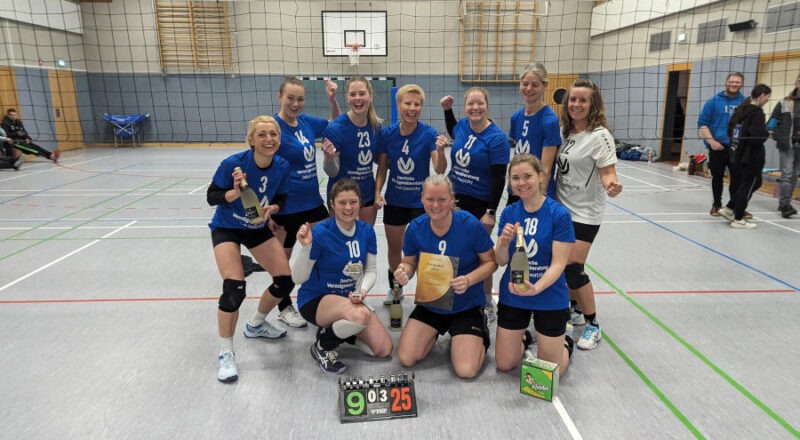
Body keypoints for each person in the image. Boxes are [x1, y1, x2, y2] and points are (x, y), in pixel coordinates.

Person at [206, 115, 295, 383]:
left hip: (256, 227)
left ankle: (256, 324)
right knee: (234, 288)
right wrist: (233, 193)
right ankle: (226, 354)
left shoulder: (281, 165)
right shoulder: (233, 165)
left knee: (284, 281)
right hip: (227, 228)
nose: (269, 139)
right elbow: (212, 196)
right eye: (262, 135)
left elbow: (280, 197)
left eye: (273, 134)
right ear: (251, 140)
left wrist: (274, 208)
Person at [393, 174, 497, 379]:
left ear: (452, 199)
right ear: (422, 199)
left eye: (442, 199)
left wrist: (469, 279)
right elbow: (410, 261)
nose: (436, 205)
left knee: (466, 370)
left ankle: (474, 333)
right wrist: (404, 271)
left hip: (466, 305)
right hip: (432, 303)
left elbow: (491, 262)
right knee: (407, 358)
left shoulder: (470, 225)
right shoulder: (415, 227)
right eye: (430, 199)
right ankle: (436, 333)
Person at [292, 179, 393, 374]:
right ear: (332, 204)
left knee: (383, 349)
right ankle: (322, 346)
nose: (348, 207)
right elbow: (298, 278)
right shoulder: (320, 232)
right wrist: (305, 248)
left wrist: (362, 291)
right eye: (342, 202)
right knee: (361, 315)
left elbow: (371, 270)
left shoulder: (367, 231)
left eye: (353, 202)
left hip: (349, 300)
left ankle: (338, 331)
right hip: (316, 299)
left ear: (360, 203)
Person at [555, 79, 623, 351]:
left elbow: (607, 170)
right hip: (562, 208)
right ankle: (574, 309)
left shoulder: (599, 135)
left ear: (593, 104)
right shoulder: (566, 131)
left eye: (583, 100)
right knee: (561, 266)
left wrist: (611, 184)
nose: (577, 104)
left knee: (573, 267)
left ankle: (593, 325)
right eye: (573, 99)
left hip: (585, 212)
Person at [270, 76, 341, 328]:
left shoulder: (308, 122)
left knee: (326, 248)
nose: (295, 103)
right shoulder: (273, 128)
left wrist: (333, 99)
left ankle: (321, 296)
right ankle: (284, 307)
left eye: (300, 99)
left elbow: (335, 124)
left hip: (312, 203)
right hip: (285, 207)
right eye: (290, 98)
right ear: (280, 97)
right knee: (282, 264)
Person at [494, 153, 574, 374]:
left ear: (540, 176)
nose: (521, 183)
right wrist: (502, 243)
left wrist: (536, 289)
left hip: (548, 294)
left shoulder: (558, 214)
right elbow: (501, 261)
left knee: (549, 372)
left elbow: (559, 265)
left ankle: (565, 343)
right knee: (504, 364)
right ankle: (526, 336)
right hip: (514, 292)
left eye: (527, 176)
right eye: (515, 178)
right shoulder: (510, 212)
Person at [439, 88, 509, 322]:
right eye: (470, 104)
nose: (475, 108)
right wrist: (447, 111)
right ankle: (451, 295)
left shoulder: (496, 138)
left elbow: (499, 179)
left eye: (479, 104)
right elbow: (453, 130)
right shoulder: (462, 127)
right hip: (454, 200)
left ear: (487, 106)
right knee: (451, 249)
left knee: (482, 255)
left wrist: (491, 212)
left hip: (480, 204)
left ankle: (487, 302)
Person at [374, 84, 448, 305]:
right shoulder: (387, 134)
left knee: (426, 249)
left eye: (417, 104)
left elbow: (440, 169)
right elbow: (382, 168)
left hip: (420, 203)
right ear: (398, 105)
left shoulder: (428, 134)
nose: (412, 108)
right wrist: (378, 193)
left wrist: (442, 151)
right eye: (408, 103)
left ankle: (429, 292)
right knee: (395, 248)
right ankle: (396, 288)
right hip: (395, 201)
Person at [321, 77, 382, 226]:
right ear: (347, 98)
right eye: (353, 94)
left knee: (364, 241)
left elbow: (378, 160)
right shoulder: (335, 128)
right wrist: (329, 159)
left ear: (370, 96)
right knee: (338, 245)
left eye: (362, 93)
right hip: (341, 195)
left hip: (366, 193)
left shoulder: (376, 126)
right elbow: (332, 172)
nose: (358, 98)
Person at [717, 84, 772, 228]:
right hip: (751, 156)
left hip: (737, 153)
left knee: (754, 182)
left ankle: (729, 208)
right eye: (767, 97)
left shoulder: (741, 109)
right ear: (762, 96)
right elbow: (756, 138)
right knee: (748, 185)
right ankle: (738, 219)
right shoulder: (757, 113)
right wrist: (766, 133)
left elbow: (730, 131)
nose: (767, 100)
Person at [698, 72, 746, 217]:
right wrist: (711, 142)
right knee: (717, 177)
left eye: (737, 82)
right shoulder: (713, 102)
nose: (734, 84)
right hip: (718, 146)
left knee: (737, 178)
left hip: (737, 147)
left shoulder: (745, 103)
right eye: (732, 81)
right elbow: (702, 124)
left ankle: (734, 206)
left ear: (741, 84)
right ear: (726, 82)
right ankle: (716, 205)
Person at [769, 73, 800, 219]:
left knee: (794, 175)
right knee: (787, 175)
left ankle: (785, 202)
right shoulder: (785, 102)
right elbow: (773, 120)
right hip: (787, 144)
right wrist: (773, 133)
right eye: (799, 79)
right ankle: (784, 205)